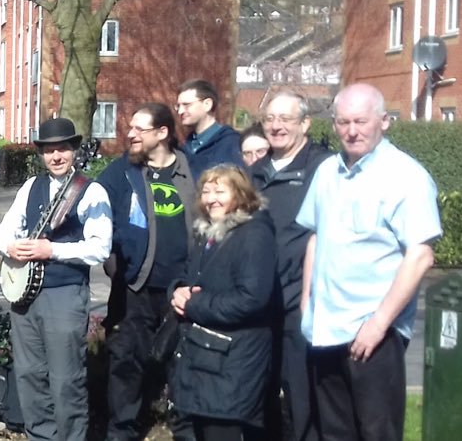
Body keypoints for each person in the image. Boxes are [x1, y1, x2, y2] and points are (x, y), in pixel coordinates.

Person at [298, 83, 441, 441]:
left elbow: (420, 255)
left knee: (377, 434)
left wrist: (378, 324)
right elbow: (316, 238)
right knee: (334, 433)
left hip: (374, 333)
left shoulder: (406, 177)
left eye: (361, 121)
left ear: (384, 121)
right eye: (343, 122)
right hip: (325, 328)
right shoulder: (327, 172)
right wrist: (306, 305)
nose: (351, 131)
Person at [0, 117, 112, 441]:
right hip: (24, 297)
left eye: (62, 149)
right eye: (49, 151)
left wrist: (52, 250)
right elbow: (2, 234)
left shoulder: (91, 191)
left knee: (65, 379)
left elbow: (100, 248)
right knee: (29, 375)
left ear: (74, 150)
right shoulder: (31, 186)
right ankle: (40, 436)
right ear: (41, 154)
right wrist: (11, 247)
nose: (56, 156)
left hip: (65, 293)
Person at [96, 103, 200, 441]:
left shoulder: (191, 169)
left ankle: (185, 431)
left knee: (184, 364)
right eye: (131, 127)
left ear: (162, 133)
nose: (130, 134)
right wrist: (113, 263)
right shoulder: (120, 172)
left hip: (182, 289)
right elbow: (94, 214)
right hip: (134, 288)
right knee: (126, 362)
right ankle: (121, 432)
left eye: (140, 129)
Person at [168, 165, 278, 441]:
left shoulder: (254, 234)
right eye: (206, 192)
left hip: (233, 359)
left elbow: (251, 299)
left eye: (220, 192)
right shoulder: (207, 232)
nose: (211, 199)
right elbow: (188, 274)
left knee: (221, 433)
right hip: (202, 356)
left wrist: (193, 305)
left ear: (240, 194)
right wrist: (177, 291)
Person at [248, 91, 333, 441]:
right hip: (258, 303)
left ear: (305, 124)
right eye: (270, 119)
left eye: (285, 119)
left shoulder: (324, 170)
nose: (276, 126)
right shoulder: (254, 174)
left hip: (302, 303)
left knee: (302, 398)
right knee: (259, 395)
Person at [176, 79, 244, 175]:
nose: (180, 111)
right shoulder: (185, 149)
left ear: (207, 104)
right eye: (178, 106)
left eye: (186, 105)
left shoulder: (231, 144)